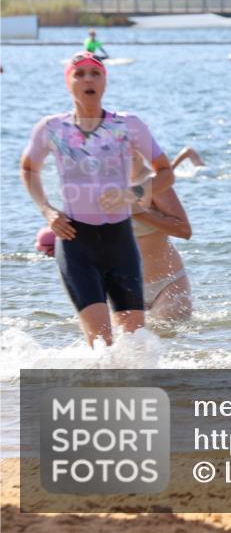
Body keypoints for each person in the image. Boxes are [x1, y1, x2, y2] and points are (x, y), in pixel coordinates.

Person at [20, 52, 174, 346]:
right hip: (76, 241)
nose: (88, 79)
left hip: (120, 242)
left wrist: (132, 193)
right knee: (101, 342)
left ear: (105, 81)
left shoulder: (128, 125)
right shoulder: (51, 128)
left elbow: (165, 173)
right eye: (79, 74)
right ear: (68, 82)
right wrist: (47, 210)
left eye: (95, 73)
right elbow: (28, 169)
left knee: (136, 343)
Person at [131, 149, 195, 320]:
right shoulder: (100, 188)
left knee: (171, 334)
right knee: (125, 338)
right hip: (122, 287)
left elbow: (184, 231)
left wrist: (140, 214)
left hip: (166, 283)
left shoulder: (154, 183)